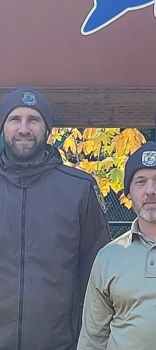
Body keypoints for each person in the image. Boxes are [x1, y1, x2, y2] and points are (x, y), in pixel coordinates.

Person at [0, 86, 110, 350]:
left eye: (33, 120)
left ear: (48, 129)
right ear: (2, 128)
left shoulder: (80, 189)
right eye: (15, 119)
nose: (24, 128)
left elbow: (97, 277)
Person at [78, 141, 156, 350]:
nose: (151, 190)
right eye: (140, 182)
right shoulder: (109, 257)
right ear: (128, 193)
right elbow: (92, 339)